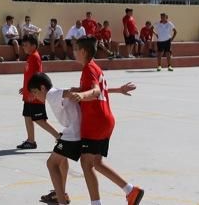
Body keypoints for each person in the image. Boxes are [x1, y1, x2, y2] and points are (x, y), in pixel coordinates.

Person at [28, 72, 137, 205]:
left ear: (42, 88)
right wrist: (117, 90)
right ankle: (62, 194)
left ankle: (61, 200)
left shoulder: (51, 94)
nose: (35, 96)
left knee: (51, 164)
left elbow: (78, 93)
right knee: (66, 162)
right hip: (81, 133)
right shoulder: (57, 93)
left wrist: (75, 92)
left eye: (35, 92)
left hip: (72, 136)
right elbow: (87, 92)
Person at [68, 37, 145, 205]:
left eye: (75, 49)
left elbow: (95, 91)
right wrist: (118, 89)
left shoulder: (88, 69)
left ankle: (97, 203)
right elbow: (100, 89)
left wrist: (81, 95)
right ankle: (131, 191)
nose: (73, 52)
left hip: (95, 122)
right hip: (106, 120)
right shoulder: (94, 67)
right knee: (96, 162)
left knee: (86, 163)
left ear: (83, 51)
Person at [17, 35, 59, 150]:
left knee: (39, 119)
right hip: (29, 93)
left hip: (34, 95)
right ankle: (31, 141)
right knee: (27, 116)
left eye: (26, 45)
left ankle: (59, 137)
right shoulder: (31, 57)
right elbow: (30, 76)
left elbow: (37, 76)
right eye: (23, 45)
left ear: (34, 46)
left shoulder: (35, 57)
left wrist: (32, 92)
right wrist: (25, 87)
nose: (23, 47)